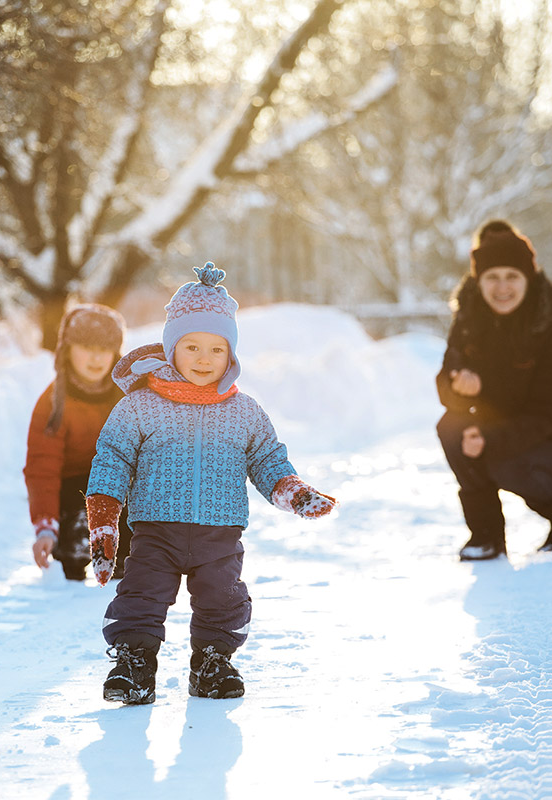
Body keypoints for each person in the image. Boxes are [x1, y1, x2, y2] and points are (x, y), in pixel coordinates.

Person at [85, 263, 338, 705]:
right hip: (155, 530)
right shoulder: (139, 407)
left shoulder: (244, 411)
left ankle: (212, 662)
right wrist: (104, 522)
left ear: (232, 355)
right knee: (140, 595)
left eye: (217, 350)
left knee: (223, 599)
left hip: (220, 533)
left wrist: (295, 493)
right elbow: (111, 460)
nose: (204, 359)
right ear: (171, 348)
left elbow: (267, 460)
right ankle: (133, 664)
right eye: (193, 346)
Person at [436, 220, 552, 561]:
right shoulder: (468, 316)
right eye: (492, 277)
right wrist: (457, 385)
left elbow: (547, 411)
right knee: (450, 427)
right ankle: (486, 536)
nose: (502, 287)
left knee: (503, 461)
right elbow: (444, 384)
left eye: (512, 276)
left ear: (529, 277)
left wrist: (490, 439)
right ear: (479, 280)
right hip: (503, 432)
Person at [24, 303, 133, 580]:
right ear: (68, 350)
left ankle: (125, 552)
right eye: (86, 347)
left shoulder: (127, 398)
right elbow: (42, 467)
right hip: (73, 492)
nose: (96, 357)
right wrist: (46, 526)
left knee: (130, 514)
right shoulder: (53, 403)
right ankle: (75, 547)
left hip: (119, 488)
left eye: (104, 349)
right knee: (75, 530)